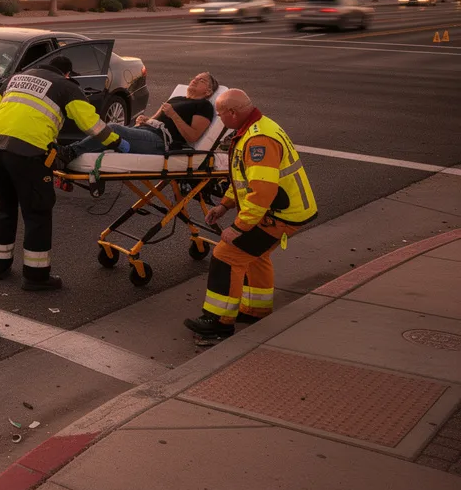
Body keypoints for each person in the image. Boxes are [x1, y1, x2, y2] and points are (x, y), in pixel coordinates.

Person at [184, 89, 318, 339]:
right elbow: (245, 180)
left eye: (220, 115)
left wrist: (238, 228)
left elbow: (261, 193)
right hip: (287, 210)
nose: (219, 120)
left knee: (226, 255)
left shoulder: (258, 141)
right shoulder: (257, 128)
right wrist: (225, 205)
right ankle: (256, 309)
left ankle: (218, 321)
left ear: (233, 113)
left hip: (278, 214)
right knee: (255, 256)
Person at [0, 56, 124, 290]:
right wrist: (116, 140)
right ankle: (35, 277)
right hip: (29, 153)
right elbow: (90, 124)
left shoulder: (14, 79)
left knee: (4, 207)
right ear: (67, 73)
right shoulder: (65, 87)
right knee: (37, 213)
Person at [62, 72, 217, 159]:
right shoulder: (177, 99)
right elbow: (154, 120)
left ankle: (71, 152)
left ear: (208, 91)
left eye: (201, 80)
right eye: (195, 77)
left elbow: (193, 136)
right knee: (109, 132)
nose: (195, 80)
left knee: (113, 129)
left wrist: (174, 115)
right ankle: (74, 154)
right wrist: (145, 119)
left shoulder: (203, 106)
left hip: (161, 142)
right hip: (147, 132)